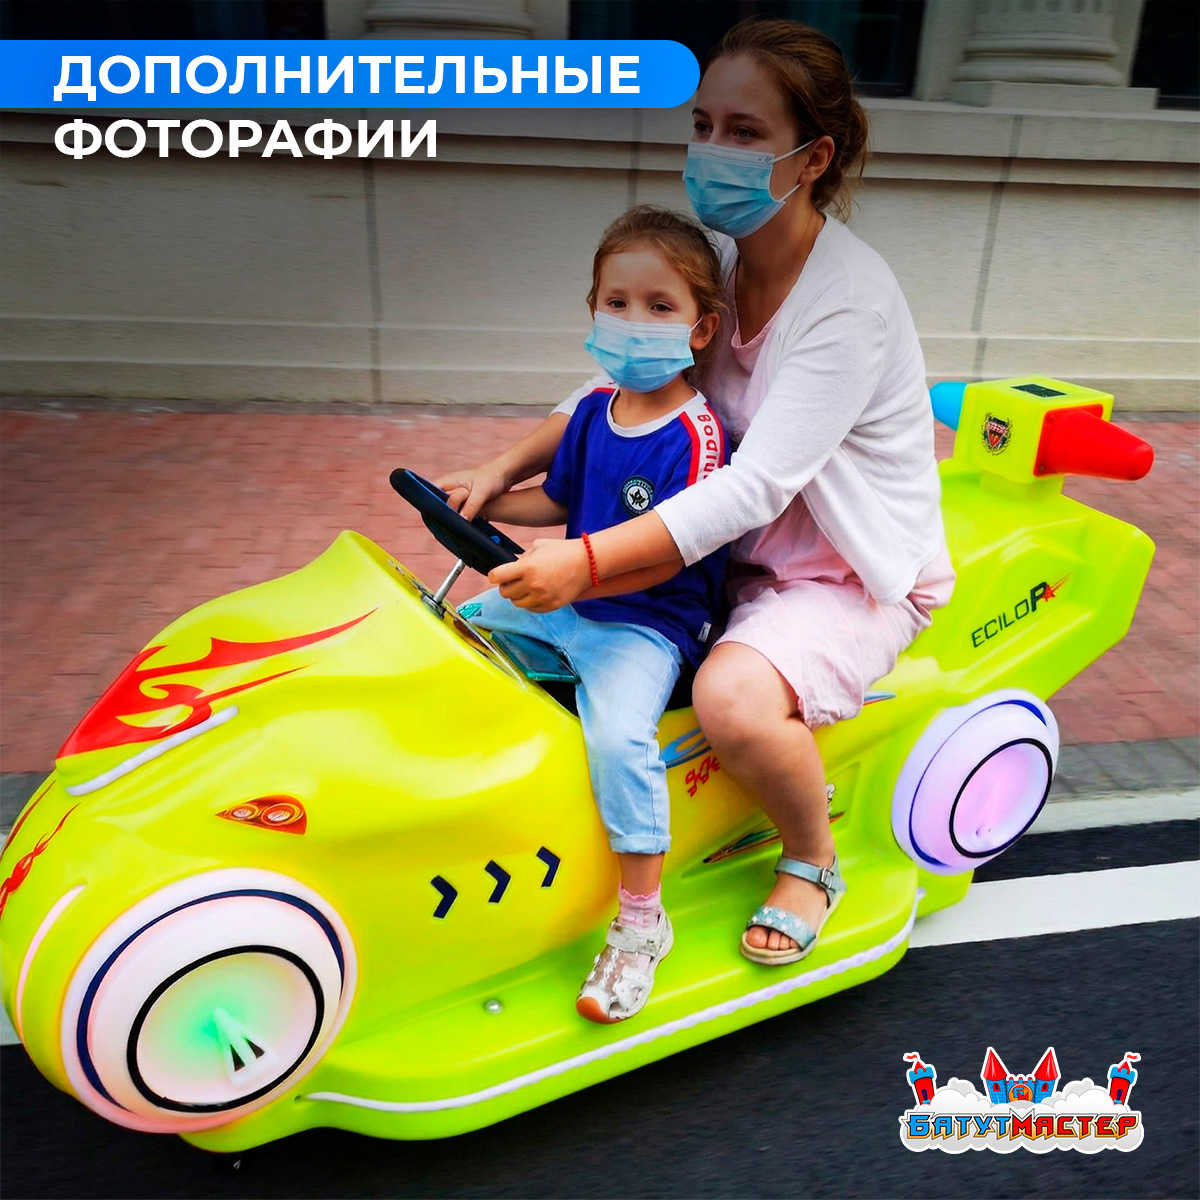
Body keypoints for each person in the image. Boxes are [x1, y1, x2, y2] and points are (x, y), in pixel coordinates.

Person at [439, 18, 955, 969]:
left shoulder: (849, 299)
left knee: (731, 702)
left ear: (814, 158)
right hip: (723, 557)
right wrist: (501, 471)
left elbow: (758, 484)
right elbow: (617, 390)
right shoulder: (719, 256)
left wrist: (585, 560)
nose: (713, 151)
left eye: (745, 132)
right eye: (703, 125)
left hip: (840, 574)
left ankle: (812, 859)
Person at [447, 206, 731, 1023]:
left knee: (618, 739)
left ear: (701, 328)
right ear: (594, 309)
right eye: (617, 302)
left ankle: (642, 921)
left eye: (659, 306)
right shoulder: (594, 410)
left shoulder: (696, 437)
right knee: (460, 631)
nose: (633, 320)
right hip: (565, 598)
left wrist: (573, 583)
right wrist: (482, 498)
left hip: (644, 624)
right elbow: (558, 503)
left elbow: (670, 553)